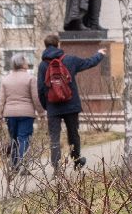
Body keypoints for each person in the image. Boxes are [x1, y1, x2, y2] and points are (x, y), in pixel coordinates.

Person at [36, 33, 105, 170]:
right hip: (71, 105)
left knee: (54, 137)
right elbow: (89, 62)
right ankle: (77, 160)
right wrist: (100, 54)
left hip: (53, 107)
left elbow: (41, 88)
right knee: (73, 134)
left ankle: (57, 167)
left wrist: (47, 106)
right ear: (58, 44)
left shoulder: (43, 65)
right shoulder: (69, 60)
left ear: (45, 46)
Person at [0, 52, 45, 172]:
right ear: (22, 63)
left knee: (13, 138)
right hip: (26, 114)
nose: (27, 63)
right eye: (26, 61)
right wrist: (41, 113)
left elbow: (1, 99)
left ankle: (14, 165)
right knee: (24, 138)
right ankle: (23, 165)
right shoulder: (30, 78)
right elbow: (35, 98)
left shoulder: (6, 79)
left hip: (9, 114)